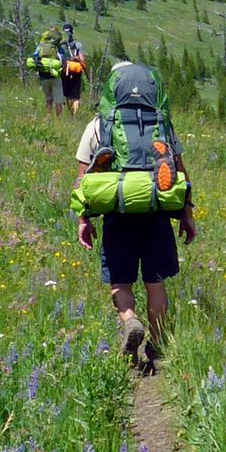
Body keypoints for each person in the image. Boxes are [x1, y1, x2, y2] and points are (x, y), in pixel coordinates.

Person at [74, 59, 195, 370]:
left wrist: (83, 219)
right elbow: (180, 170)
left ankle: (129, 320)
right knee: (156, 283)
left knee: (120, 282)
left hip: (117, 210)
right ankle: (157, 346)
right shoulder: (161, 123)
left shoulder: (99, 124)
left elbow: (83, 179)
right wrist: (187, 214)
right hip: (156, 209)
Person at [28, 26, 65, 116]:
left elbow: (35, 56)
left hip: (43, 76)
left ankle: (48, 117)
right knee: (58, 100)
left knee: (48, 99)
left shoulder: (41, 46)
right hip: (55, 76)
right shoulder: (57, 47)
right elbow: (63, 60)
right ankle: (58, 121)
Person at [59, 22, 87, 114]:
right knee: (75, 97)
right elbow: (82, 59)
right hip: (76, 71)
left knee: (65, 95)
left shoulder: (61, 45)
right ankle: (74, 115)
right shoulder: (77, 45)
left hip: (64, 70)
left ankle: (68, 112)